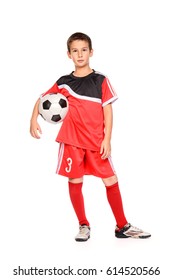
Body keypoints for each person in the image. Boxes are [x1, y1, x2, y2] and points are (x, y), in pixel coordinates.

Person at [30, 32, 151, 241]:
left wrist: (107, 139)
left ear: (91, 52)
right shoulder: (63, 82)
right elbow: (42, 99)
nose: (80, 54)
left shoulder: (100, 80)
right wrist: (33, 120)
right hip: (72, 141)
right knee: (75, 179)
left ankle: (122, 226)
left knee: (110, 178)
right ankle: (83, 225)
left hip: (96, 141)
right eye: (75, 51)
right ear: (68, 54)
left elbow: (108, 110)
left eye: (83, 50)